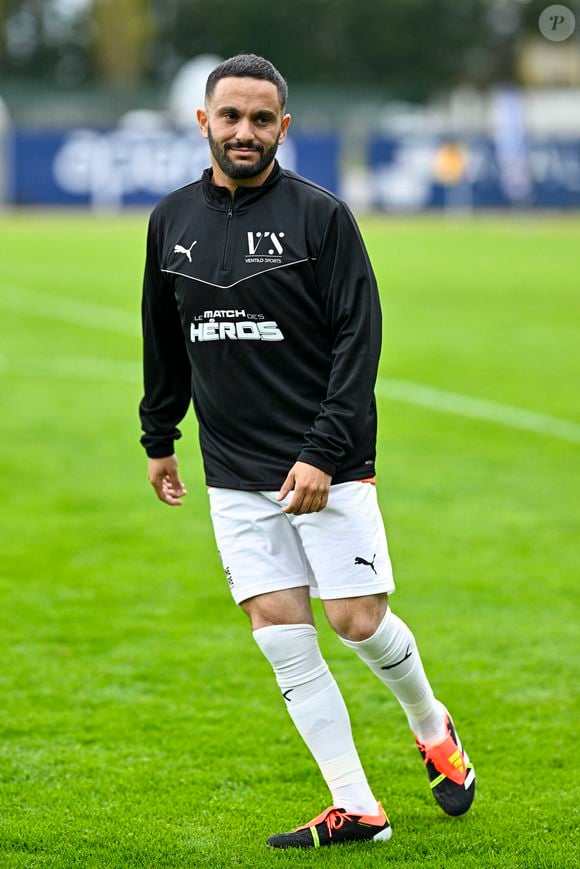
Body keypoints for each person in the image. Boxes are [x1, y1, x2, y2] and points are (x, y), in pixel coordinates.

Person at [139, 53, 475, 850]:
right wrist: (160, 435)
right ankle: (357, 806)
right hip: (233, 469)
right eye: (231, 117)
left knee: (357, 621)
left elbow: (360, 343)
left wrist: (324, 451)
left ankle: (432, 724)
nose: (245, 132)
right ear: (204, 122)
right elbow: (165, 336)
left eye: (262, 119)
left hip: (328, 462)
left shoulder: (320, 217)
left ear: (283, 127)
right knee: (280, 634)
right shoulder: (171, 220)